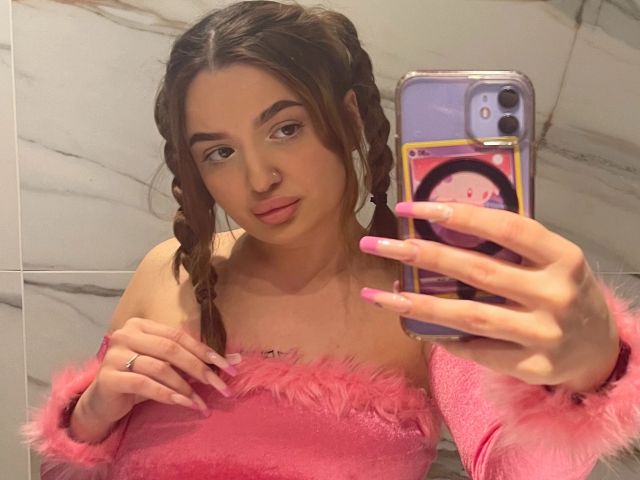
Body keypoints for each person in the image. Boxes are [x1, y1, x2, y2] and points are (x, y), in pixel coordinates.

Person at [20, 2, 640, 479]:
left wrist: (589, 374)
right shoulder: (171, 272)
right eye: (220, 152)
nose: (259, 179)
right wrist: (91, 414)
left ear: (347, 117)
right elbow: (64, 473)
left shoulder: (421, 299)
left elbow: (514, 468)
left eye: (285, 129)